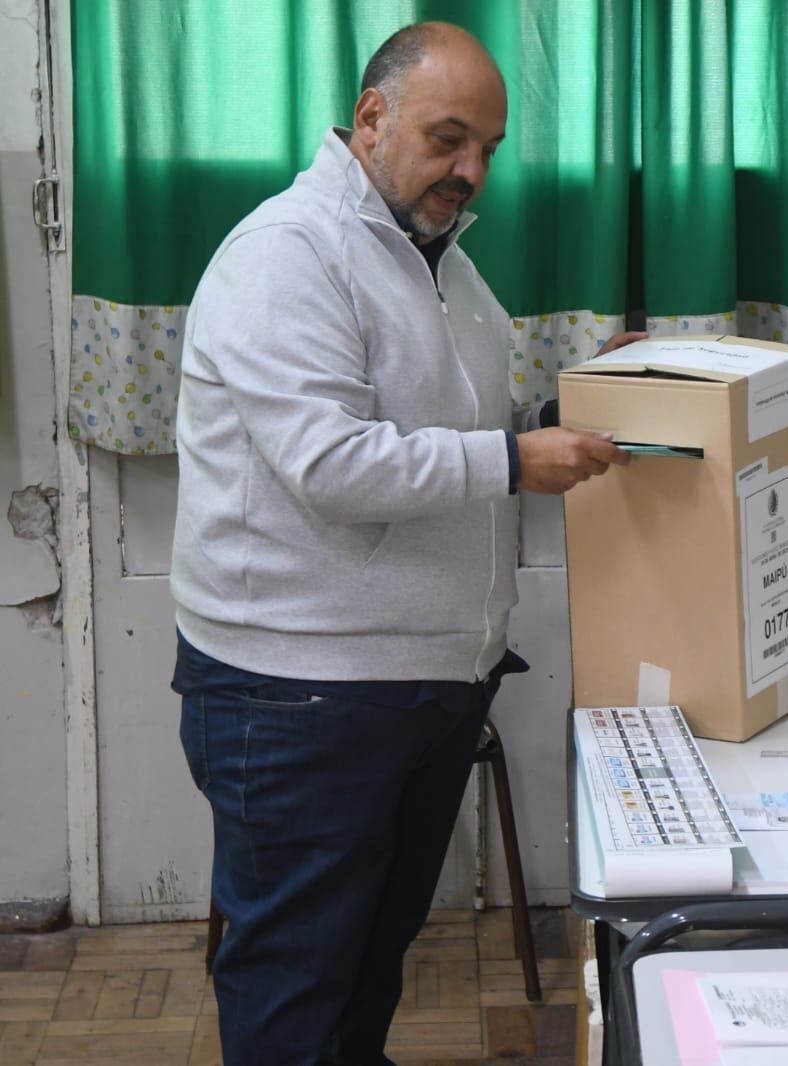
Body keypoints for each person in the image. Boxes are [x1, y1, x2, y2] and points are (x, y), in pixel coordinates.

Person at [170, 22, 641, 1064]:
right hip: (299, 694)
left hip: (419, 685)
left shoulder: (446, 268)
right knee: (297, 987)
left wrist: (585, 390)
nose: (470, 172)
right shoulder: (286, 256)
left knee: (364, 971)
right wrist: (520, 460)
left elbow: (462, 426)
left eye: (488, 149)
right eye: (447, 139)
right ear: (371, 118)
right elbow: (334, 467)